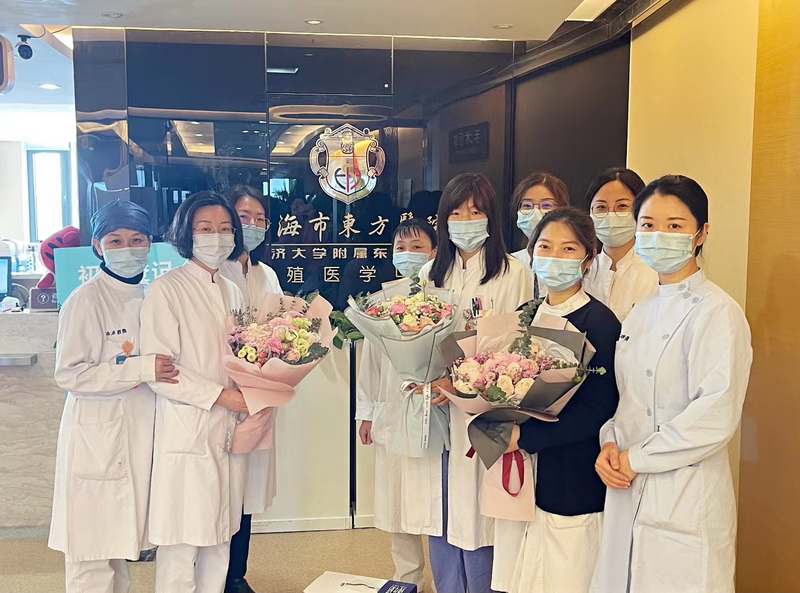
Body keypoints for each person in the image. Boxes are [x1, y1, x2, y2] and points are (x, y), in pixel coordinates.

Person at [592, 175, 753, 593]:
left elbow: (714, 415)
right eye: (648, 225)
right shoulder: (641, 310)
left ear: (701, 233)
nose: (658, 235)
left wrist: (636, 458)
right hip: (626, 482)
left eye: (675, 225)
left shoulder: (718, 312)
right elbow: (628, 400)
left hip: (684, 494)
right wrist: (609, 443)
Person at [49, 200, 177, 593]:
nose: (128, 248)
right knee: (91, 548)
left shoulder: (152, 295)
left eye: (137, 239)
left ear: (150, 244)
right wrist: (140, 368)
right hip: (96, 436)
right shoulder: (86, 299)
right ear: (98, 246)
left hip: (137, 432)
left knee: (116, 543)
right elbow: (70, 374)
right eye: (116, 240)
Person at [496, 207, 621, 593]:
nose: (555, 257)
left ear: (588, 259)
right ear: (532, 254)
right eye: (545, 247)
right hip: (520, 469)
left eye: (568, 249)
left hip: (570, 469)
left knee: (566, 572)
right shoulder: (523, 315)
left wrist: (526, 437)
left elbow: (599, 408)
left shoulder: (600, 323)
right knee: (520, 570)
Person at [419, 173, 532, 593]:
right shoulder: (430, 272)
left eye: (476, 211)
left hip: (487, 407)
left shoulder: (513, 271)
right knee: (442, 506)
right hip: (438, 406)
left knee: (480, 511)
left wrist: (470, 381)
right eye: (456, 212)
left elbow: (518, 343)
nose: (466, 220)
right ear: (443, 220)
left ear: (492, 217)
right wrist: (432, 378)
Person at [140, 191, 249, 593]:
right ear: (186, 233)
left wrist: (254, 389)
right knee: (182, 540)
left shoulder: (233, 290)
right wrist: (223, 396)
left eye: (224, 229)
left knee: (220, 535)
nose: (216, 237)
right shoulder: (166, 289)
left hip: (228, 427)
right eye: (205, 229)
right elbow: (161, 372)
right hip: (187, 426)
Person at [356, 218, 439, 591]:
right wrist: (366, 413)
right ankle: (406, 577)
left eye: (417, 247)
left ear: (434, 253)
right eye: (400, 248)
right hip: (390, 409)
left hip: (434, 410)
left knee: (433, 499)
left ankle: (446, 578)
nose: (408, 255)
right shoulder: (380, 303)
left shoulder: (444, 301)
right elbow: (370, 364)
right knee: (396, 500)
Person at [219, 186, 283, 593]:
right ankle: (215, 577)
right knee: (220, 489)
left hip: (258, 396)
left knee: (246, 492)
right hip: (220, 395)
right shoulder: (212, 272)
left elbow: (282, 330)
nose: (253, 226)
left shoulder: (267, 274)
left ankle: (236, 575)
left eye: (260, 219)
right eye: (244, 218)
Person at [583, 168, 658, 321]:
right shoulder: (582, 269)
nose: (611, 215)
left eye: (622, 206)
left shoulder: (656, 272)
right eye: (601, 207)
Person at [509, 172, 570, 298]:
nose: (535, 212)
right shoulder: (510, 263)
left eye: (546, 205)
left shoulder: (573, 262)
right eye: (527, 205)